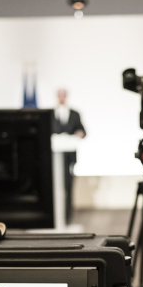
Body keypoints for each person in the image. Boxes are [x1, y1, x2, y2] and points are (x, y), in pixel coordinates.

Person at [52, 88, 86, 223]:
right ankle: (54, 217)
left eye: (63, 95)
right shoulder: (50, 114)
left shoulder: (74, 114)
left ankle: (67, 217)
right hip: (54, 157)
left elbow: (83, 130)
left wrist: (80, 133)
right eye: (59, 95)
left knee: (68, 186)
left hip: (69, 157)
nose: (61, 98)